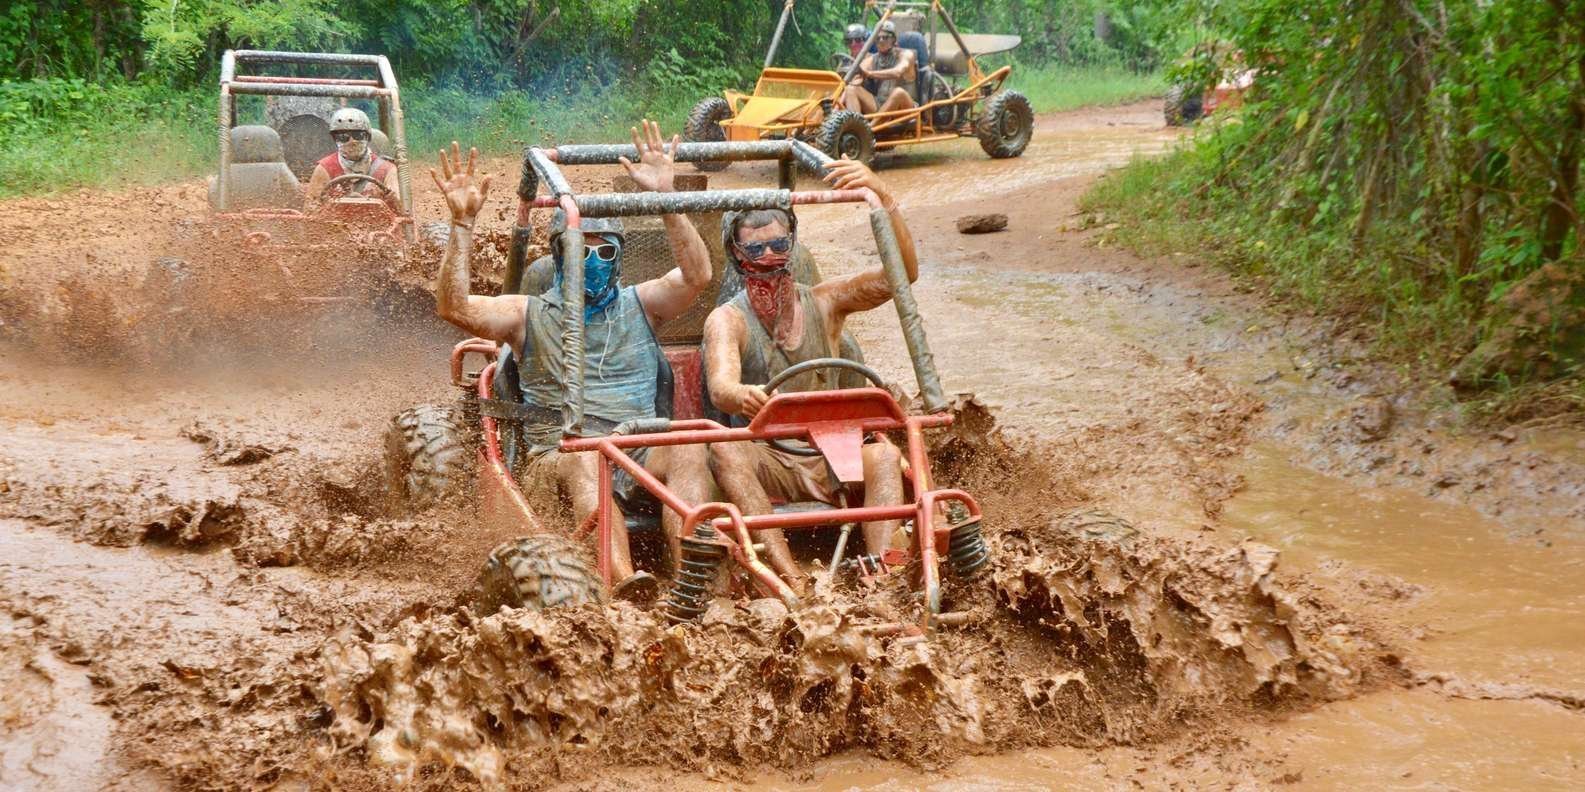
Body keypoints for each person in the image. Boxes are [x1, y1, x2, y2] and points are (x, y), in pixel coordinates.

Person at [430, 120, 715, 601]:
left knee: (689, 446)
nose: (596, 259)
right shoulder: (528, 313)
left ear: (621, 256)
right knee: (587, 460)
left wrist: (666, 199)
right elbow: (454, 308)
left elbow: (697, 275)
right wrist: (461, 225)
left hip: (638, 446)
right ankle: (624, 581)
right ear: (561, 253)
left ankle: (695, 579)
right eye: (585, 248)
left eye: (607, 249)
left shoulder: (640, 303)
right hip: (561, 457)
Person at [703, 158, 918, 592]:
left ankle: (885, 574)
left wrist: (884, 197)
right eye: (755, 249)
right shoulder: (729, 319)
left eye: (778, 245)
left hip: (831, 451)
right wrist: (740, 393)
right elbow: (721, 385)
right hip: (771, 457)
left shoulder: (825, 302)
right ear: (737, 255)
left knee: (882, 455)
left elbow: (903, 276)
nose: (768, 258)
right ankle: (788, 577)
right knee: (725, 451)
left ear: (792, 244)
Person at [303, 108, 401, 211]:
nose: (352, 141)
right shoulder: (325, 168)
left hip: (377, 224)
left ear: (368, 137)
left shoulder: (386, 169)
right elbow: (309, 210)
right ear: (335, 139)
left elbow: (400, 210)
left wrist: (392, 199)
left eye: (358, 135)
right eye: (343, 137)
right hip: (333, 224)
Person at [843, 20, 917, 115]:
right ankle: (856, 125)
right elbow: (859, 72)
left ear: (893, 39)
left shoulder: (906, 54)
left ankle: (869, 128)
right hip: (880, 106)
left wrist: (869, 74)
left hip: (904, 110)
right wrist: (854, 77)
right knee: (850, 88)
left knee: (898, 92)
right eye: (878, 38)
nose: (881, 40)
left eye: (885, 37)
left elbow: (897, 72)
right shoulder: (872, 58)